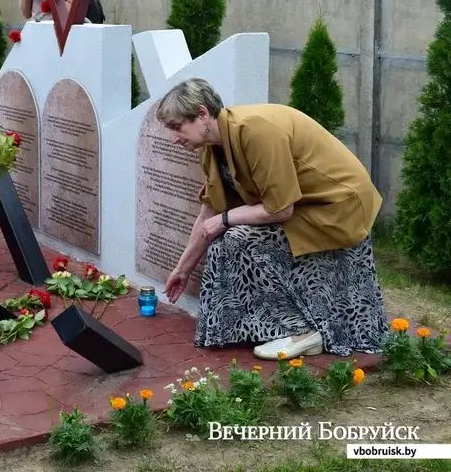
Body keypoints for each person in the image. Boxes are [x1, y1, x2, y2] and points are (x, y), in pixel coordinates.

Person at [157, 78, 388, 361]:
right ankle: (255, 328)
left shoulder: (255, 131)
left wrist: (227, 219)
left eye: (177, 127)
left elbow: (281, 209)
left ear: (202, 114)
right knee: (222, 241)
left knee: (238, 239)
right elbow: (209, 212)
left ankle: (305, 333)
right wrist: (182, 270)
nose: (174, 138)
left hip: (338, 205)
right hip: (303, 205)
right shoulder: (209, 147)